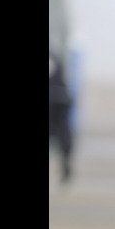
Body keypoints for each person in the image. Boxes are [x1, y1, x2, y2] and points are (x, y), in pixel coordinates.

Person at [49, 48, 73, 185]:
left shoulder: (53, 58)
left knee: (63, 140)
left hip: (57, 106)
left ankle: (65, 171)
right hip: (58, 103)